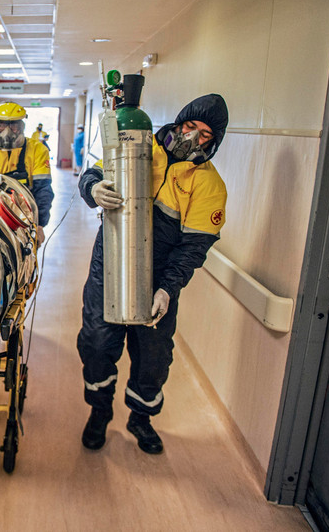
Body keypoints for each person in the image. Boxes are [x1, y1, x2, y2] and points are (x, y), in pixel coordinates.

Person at [76, 94, 229, 454]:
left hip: (160, 275)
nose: (193, 137)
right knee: (98, 344)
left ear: (214, 141)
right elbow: (95, 172)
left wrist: (167, 289)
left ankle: (140, 419)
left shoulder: (208, 185)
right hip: (111, 262)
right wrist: (93, 189)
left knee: (153, 357)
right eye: (190, 127)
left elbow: (194, 248)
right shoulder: (139, 148)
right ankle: (99, 413)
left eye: (204, 135)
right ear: (178, 123)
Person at [0, 102, 54, 244]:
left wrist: (39, 225)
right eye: (1, 125)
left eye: (13, 125)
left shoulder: (38, 150)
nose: (7, 131)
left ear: (21, 127)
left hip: (23, 219)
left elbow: (43, 190)